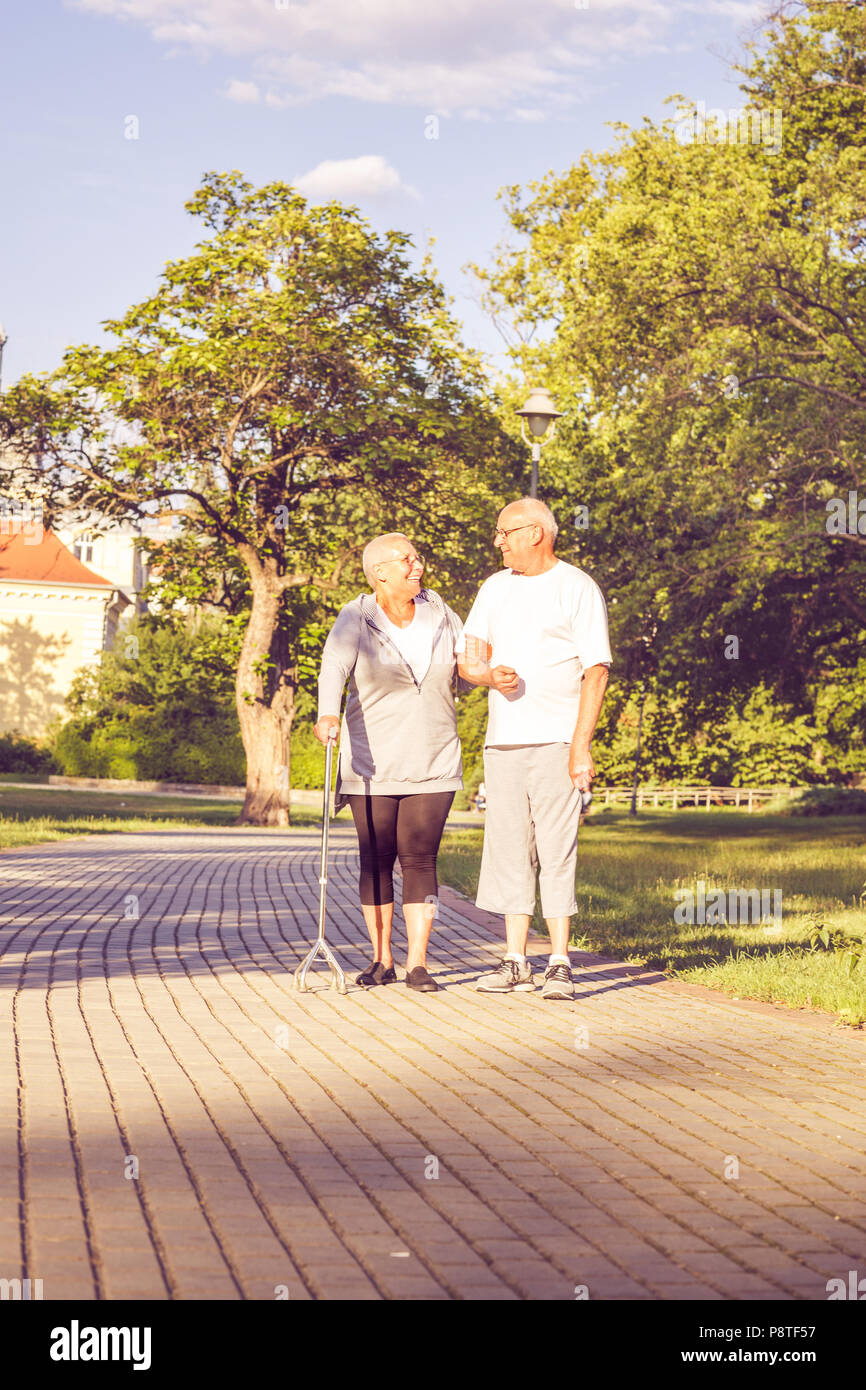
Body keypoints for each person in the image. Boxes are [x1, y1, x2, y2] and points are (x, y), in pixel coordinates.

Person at [456, 498, 611, 1000]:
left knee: (555, 849)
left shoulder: (577, 587)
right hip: (503, 743)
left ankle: (561, 962)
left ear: (536, 533)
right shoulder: (495, 587)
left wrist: (580, 748)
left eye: (504, 532)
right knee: (508, 851)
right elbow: (468, 656)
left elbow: (596, 671)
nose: (497, 541)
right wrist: (484, 674)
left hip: (557, 741)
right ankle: (516, 960)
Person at [315, 533, 466, 992]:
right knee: (376, 860)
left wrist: (493, 674)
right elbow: (332, 670)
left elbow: (469, 668)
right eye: (407, 560)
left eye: (418, 557)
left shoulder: (444, 614)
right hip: (371, 761)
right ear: (380, 571)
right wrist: (326, 714)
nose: (417, 565)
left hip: (433, 757)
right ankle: (381, 958)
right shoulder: (355, 618)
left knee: (420, 858)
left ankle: (417, 963)